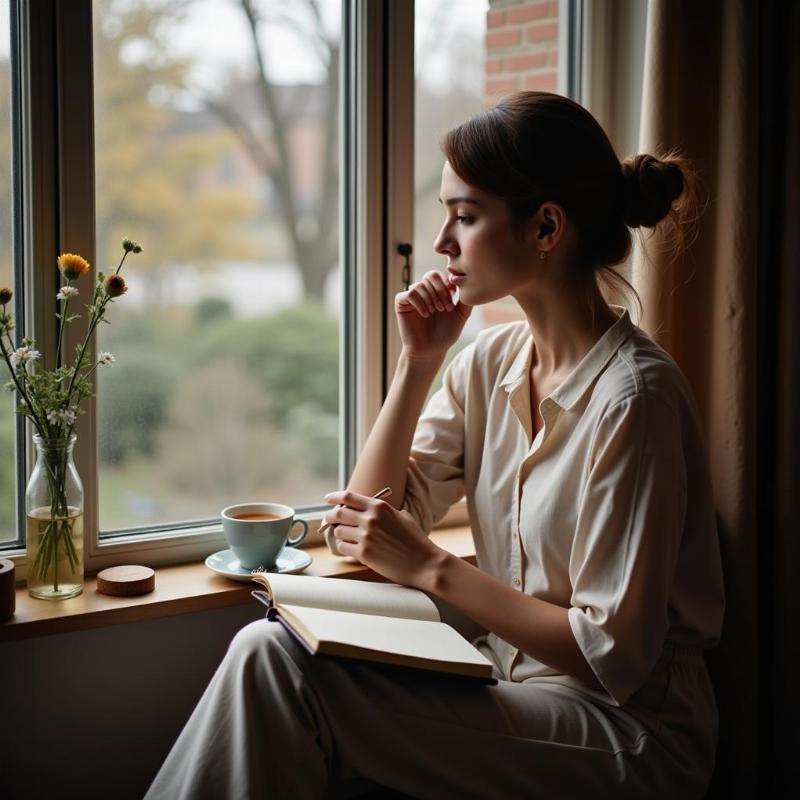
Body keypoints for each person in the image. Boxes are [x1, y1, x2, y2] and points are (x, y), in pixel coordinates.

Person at [144, 91, 725, 799]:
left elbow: (612, 654)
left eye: (466, 216)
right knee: (270, 648)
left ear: (545, 226)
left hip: (626, 730)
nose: (443, 243)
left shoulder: (634, 401)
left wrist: (428, 567)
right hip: (513, 684)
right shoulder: (491, 361)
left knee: (281, 670)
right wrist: (416, 365)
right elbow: (366, 524)